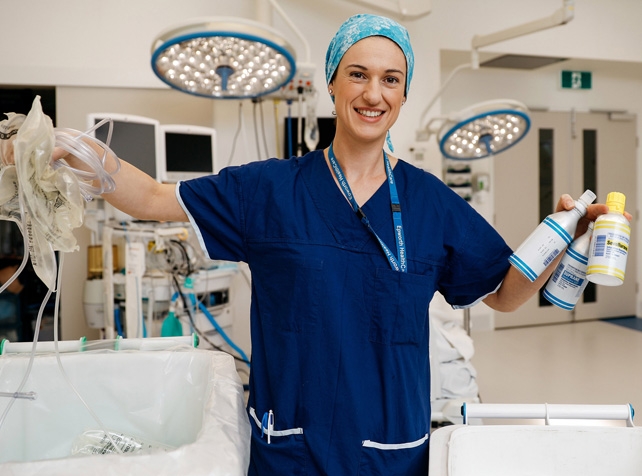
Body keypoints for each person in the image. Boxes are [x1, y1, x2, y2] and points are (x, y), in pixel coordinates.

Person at [49, 13, 622, 476]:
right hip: (291, 448)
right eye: (358, 74)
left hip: (392, 451)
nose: (373, 93)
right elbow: (153, 198)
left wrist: (559, 237)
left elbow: (503, 294)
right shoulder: (268, 189)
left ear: (403, 93)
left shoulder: (430, 202)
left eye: (390, 79)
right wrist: (71, 152)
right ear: (332, 82)